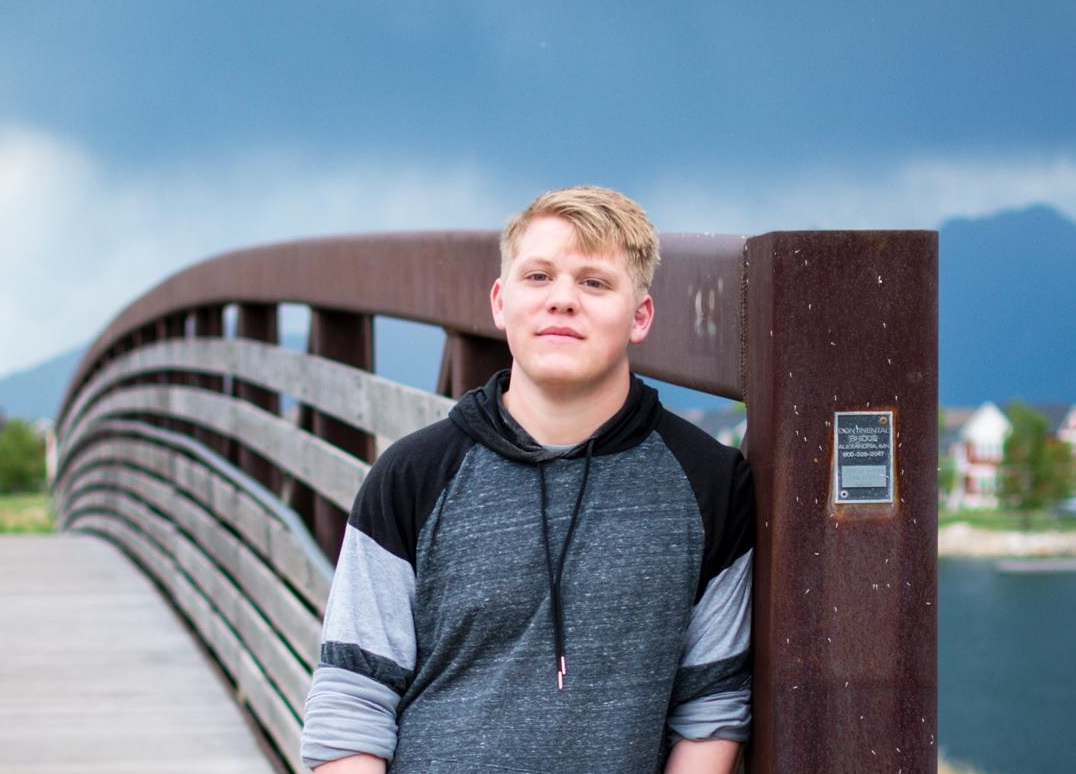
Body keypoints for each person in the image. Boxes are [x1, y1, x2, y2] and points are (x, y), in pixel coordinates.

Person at [301, 185, 754, 773]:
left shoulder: (707, 482)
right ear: (499, 301)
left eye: (594, 282)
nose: (563, 300)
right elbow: (351, 702)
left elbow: (711, 705)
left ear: (640, 315)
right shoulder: (413, 475)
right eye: (538, 277)